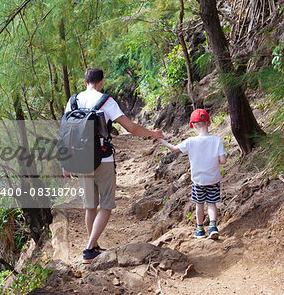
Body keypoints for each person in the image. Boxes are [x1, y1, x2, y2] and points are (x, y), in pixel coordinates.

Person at [62, 67, 164, 263]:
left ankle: (94, 246)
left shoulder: (73, 101)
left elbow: (66, 133)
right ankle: (89, 249)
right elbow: (131, 127)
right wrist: (154, 134)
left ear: (85, 82)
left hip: (80, 160)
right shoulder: (106, 100)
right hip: (103, 158)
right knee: (106, 205)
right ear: (101, 82)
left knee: (90, 206)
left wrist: (66, 163)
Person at [159, 109, 226, 239]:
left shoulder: (190, 141)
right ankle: (213, 227)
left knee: (199, 204)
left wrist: (160, 138)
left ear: (194, 125)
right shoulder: (217, 140)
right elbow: (223, 161)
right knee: (212, 203)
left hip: (198, 181)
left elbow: (173, 149)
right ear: (209, 123)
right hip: (213, 179)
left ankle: (200, 229)